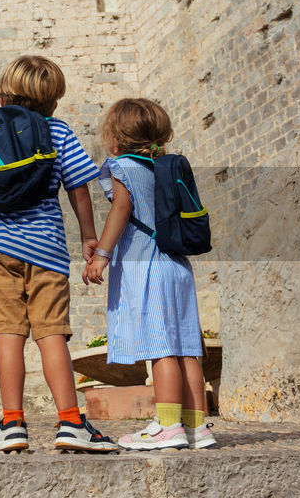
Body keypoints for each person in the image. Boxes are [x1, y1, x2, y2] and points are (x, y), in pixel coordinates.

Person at [0, 56, 118, 454]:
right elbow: (79, 188)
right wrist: (88, 236)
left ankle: (12, 424)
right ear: (53, 101)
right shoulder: (59, 132)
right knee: (52, 335)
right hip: (46, 249)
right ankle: (69, 422)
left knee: (8, 333)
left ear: (4, 95)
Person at [82, 98, 215, 450]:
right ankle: (196, 427)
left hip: (148, 266)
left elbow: (121, 210)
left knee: (161, 347)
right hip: (177, 266)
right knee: (187, 349)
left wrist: (102, 254)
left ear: (117, 139)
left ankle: (168, 426)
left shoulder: (123, 166)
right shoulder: (166, 168)